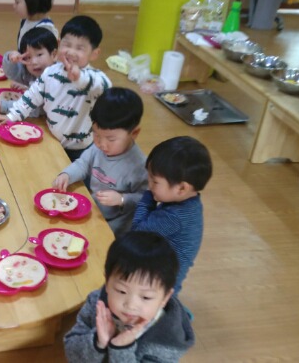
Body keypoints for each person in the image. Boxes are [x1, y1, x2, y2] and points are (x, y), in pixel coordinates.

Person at [0, 15, 112, 161]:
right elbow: (31, 97)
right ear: (59, 44)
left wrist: (80, 78)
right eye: (67, 45)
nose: (71, 52)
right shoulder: (50, 72)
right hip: (52, 139)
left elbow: (104, 86)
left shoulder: (93, 79)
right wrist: (11, 116)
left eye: (79, 48)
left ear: (94, 54)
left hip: (81, 149)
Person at [64, 231, 195, 362]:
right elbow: (71, 351)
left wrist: (121, 348)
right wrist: (98, 341)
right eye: (121, 291)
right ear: (107, 283)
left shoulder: (169, 338)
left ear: (165, 298)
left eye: (146, 297)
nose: (131, 305)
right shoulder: (97, 302)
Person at [53, 88, 148, 236]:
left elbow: (145, 199)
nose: (102, 144)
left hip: (117, 225)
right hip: (95, 210)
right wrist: (67, 175)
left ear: (134, 133)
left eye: (111, 139)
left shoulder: (139, 166)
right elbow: (83, 164)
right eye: (96, 134)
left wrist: (122, 199)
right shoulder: (98, 148)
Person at [131, 136, 212, 295]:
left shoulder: (173, 217)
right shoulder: (190, 201)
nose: (149, 185)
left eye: (154, 181)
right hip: (164, 270)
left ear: (182, 188)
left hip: (158, 282)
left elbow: (136, 234)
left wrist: (147, 197)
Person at [4, 0, 60, 90]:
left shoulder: (45, 30)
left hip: (40, 86)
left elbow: (46, 72)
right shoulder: (27, 20)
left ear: (32, 1)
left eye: (17, 2)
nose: (14, 5)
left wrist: (29, 88)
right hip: (29, 76)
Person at [0, 27, 58, 115]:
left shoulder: (55, 79)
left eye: (39, 55)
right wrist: (11, 58)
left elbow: (36, 109)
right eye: (28, 57)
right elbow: (12, 73)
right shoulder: (35, 72)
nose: (34, 62)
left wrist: (3, 106)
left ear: (54, 54)